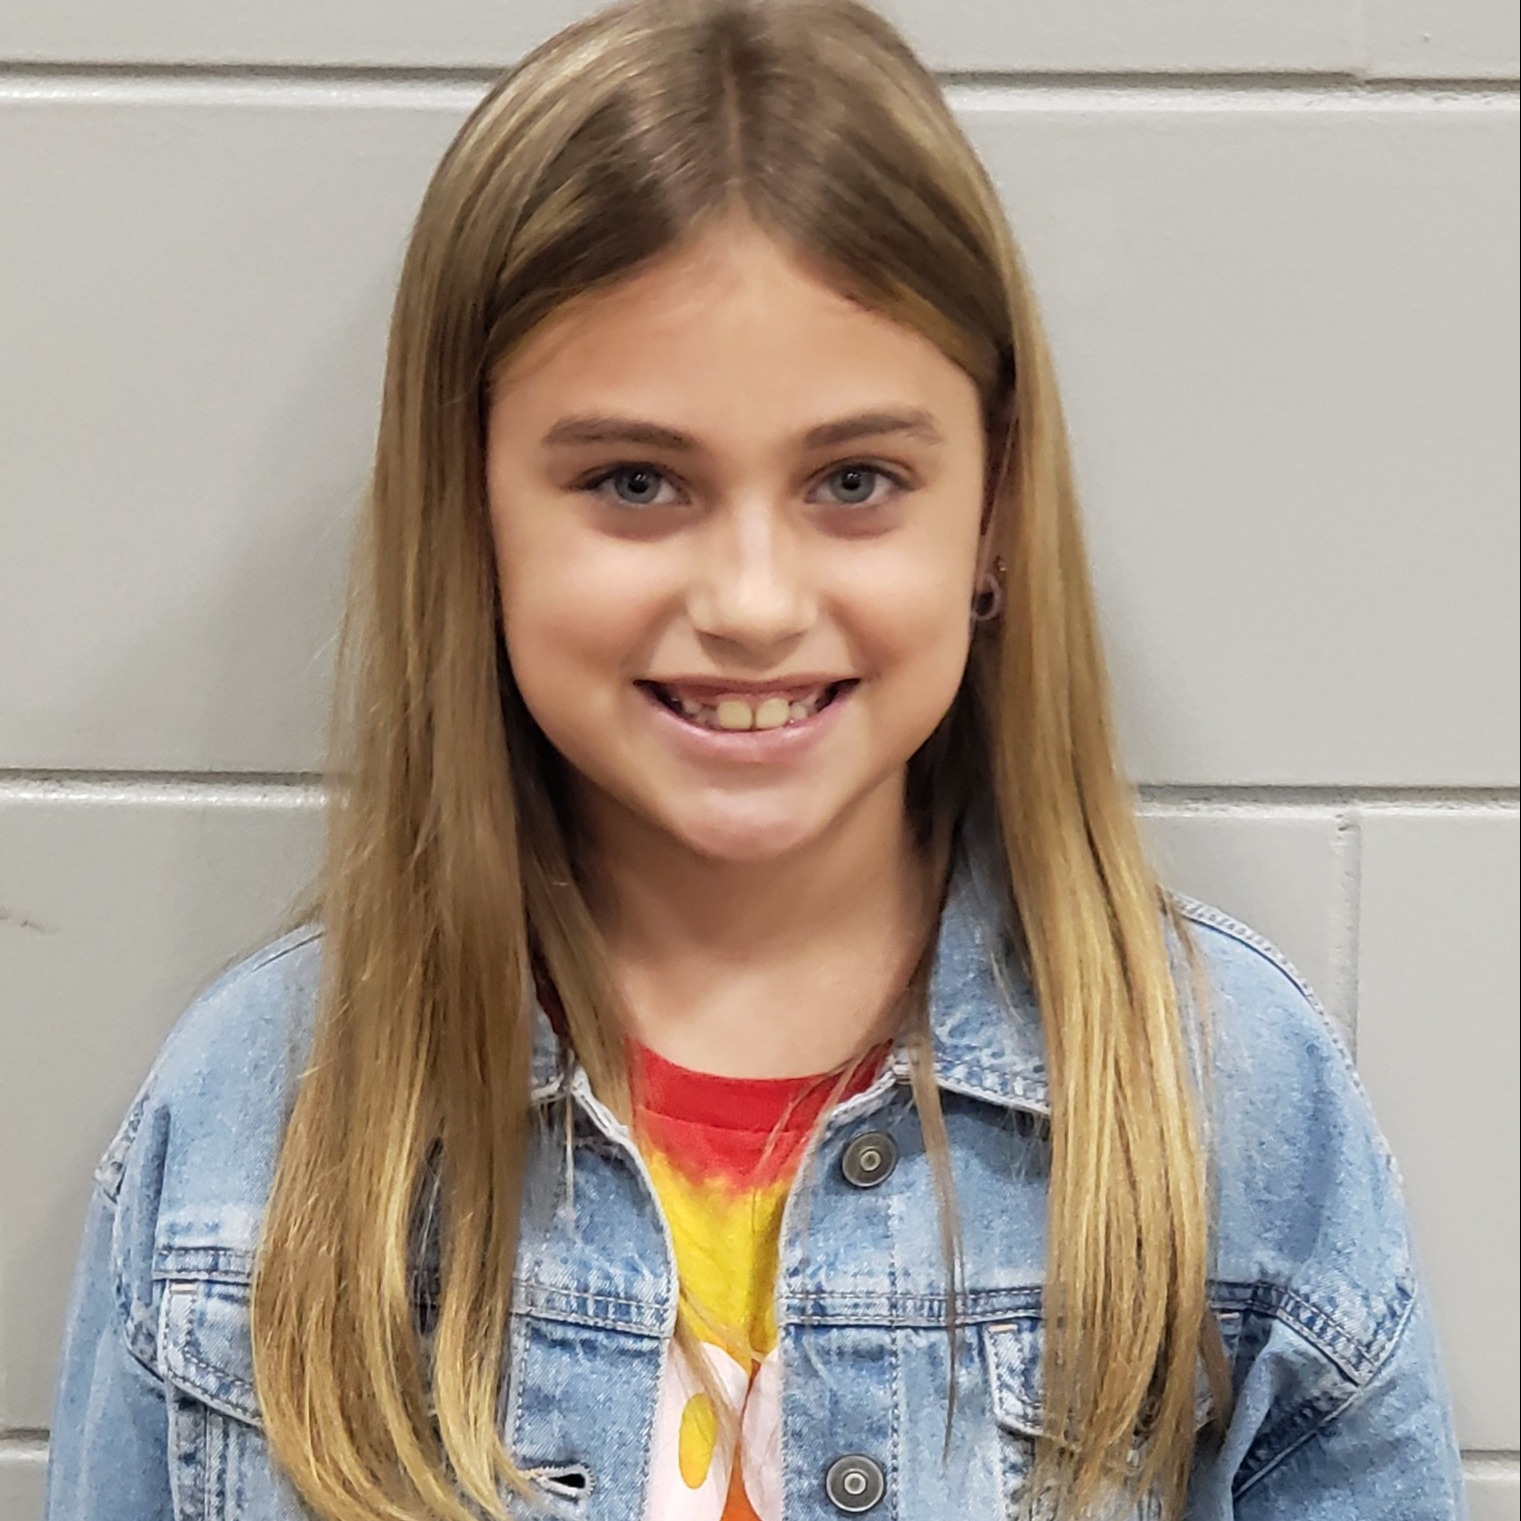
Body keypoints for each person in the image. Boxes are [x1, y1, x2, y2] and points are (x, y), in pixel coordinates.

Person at [44, 0, 1466, 1517]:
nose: (750, 602)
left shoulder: (1226, 1107)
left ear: (988, 513)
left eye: (853, 480)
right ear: (470, 514)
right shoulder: (254, 1133)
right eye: (634, 480)